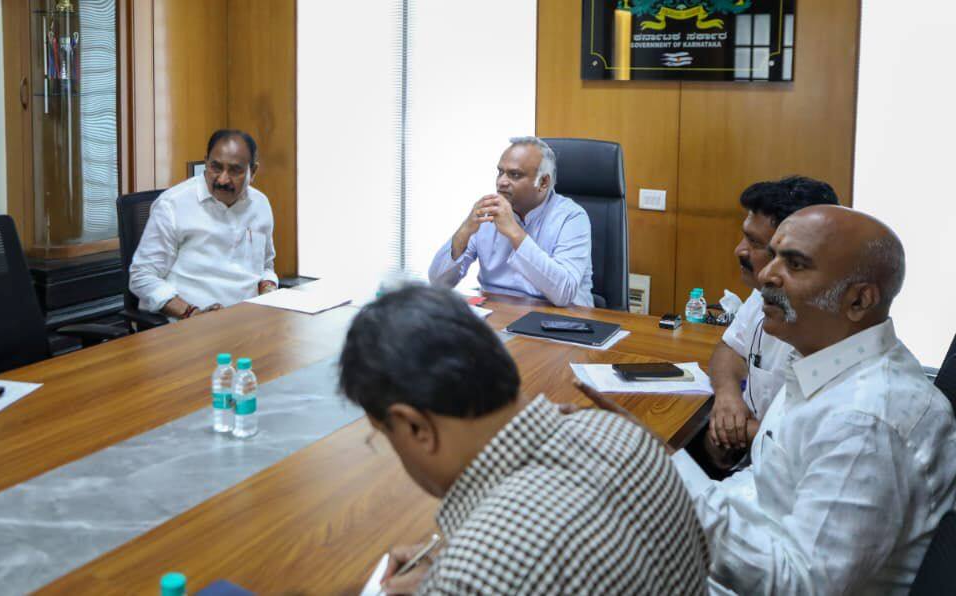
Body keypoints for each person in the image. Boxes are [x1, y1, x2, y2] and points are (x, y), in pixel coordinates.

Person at [339, 285, 708, 594]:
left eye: (383, 435)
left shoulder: (475, 574)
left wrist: (453, 578)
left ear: (416, 428)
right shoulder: (624, 435)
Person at [666, 205, 956, 593]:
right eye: (772, 256)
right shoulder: (822, 363)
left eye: (795, 264)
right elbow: (766, 490)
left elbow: (803, 585)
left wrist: (669, 482)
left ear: (859, 301)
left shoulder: (867, 419)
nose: (766, 274)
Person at [703, 176, 838, 461]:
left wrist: (738, 430)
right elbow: (730, 348)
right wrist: (727, 395)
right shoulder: (764, 294)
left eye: (754, 242)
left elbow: (808, 440)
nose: (739, 250)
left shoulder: (827, 332)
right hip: (750, 457)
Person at [129, 129, 278, 320]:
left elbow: (266, 266)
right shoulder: (173, 204)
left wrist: (268, 290)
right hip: (191, 324)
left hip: (250, 320)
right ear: (206, 162)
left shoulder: (260, 204)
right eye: (216, 167)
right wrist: (192, 313)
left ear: (253, 171)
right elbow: (142, 276)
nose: (223, 179)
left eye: (235, 170)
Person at [427, 136, 593, 307]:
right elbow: (438, 284)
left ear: (543, 182)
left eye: (515, 175)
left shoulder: (572, 217)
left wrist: (514, 233)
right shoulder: (488, 211)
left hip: (559, 318)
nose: (501, 182)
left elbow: (564, 293)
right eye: (500, 172)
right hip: (497, 313)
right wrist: (465, 230)